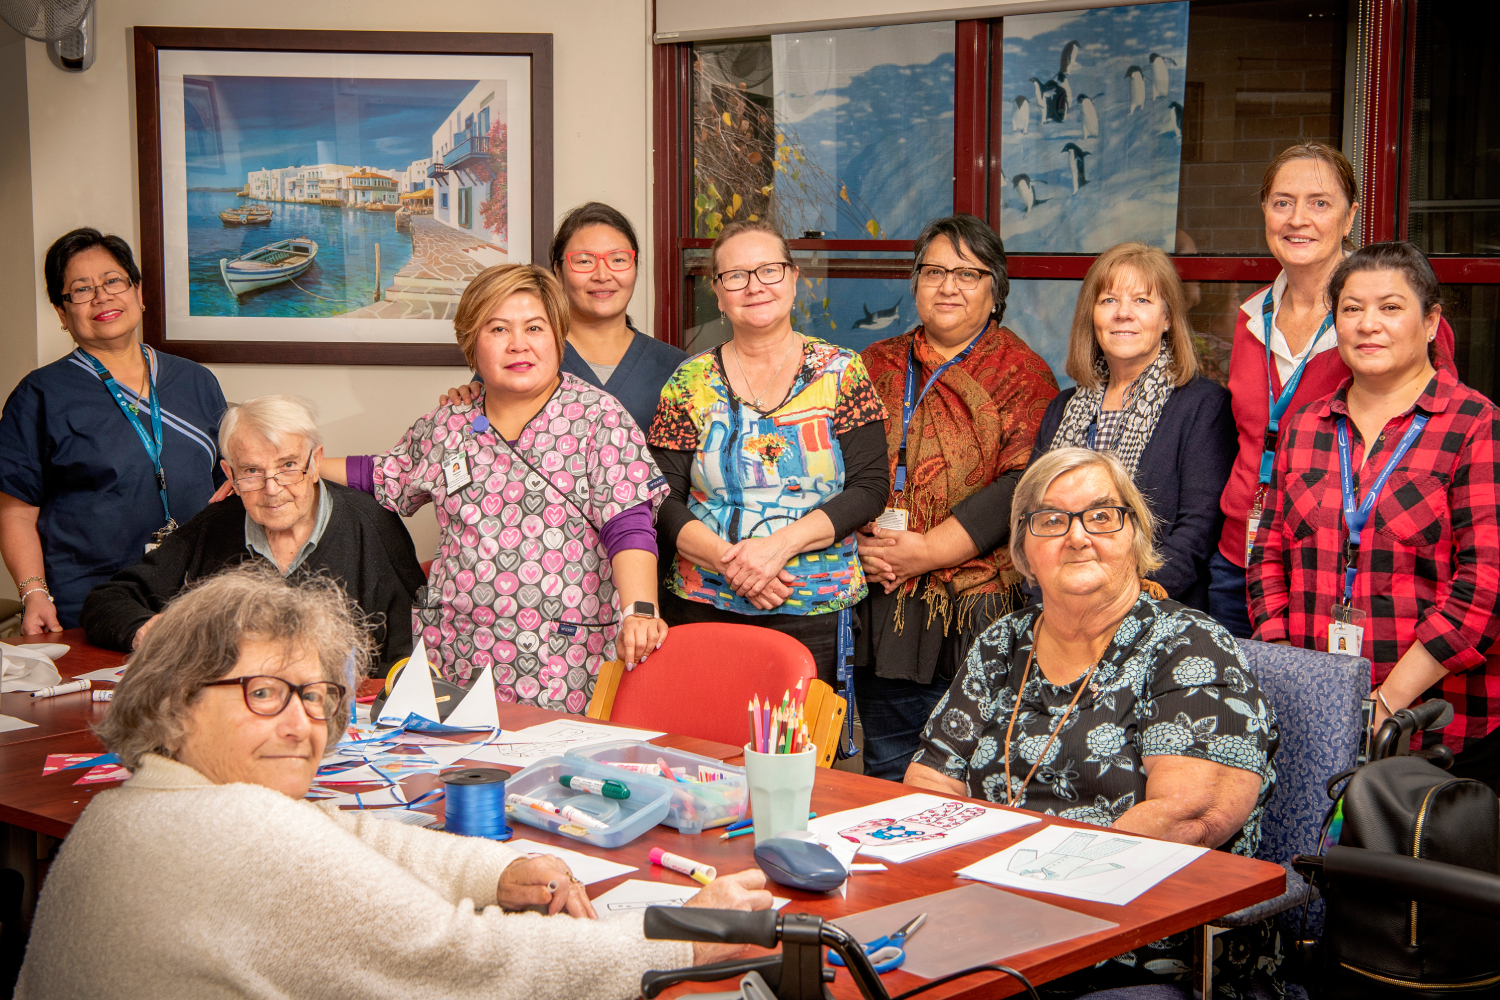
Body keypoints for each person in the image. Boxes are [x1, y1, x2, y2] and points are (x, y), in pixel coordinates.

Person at [17, 565, 773, 1000]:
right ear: (179, 700)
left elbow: (341, 831)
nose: (303, 724)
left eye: (315, 695)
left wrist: (497, 869)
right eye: (265, 692)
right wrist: (686, 937)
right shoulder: (243, 835)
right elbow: (465, 960)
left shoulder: (128, 807)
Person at [908, 447, 1280, 994]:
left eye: (1101, 516)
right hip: (988, 925)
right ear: (1023, 553)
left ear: (1135, 535)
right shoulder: (1000, 644)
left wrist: (1025, 882)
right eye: (1051, 520)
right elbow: (927, 785)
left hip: (1132, 944)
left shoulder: (1189, 647)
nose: (1077, 536)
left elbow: (1188, 817)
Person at [323, 264, 669, 712]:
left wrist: (639, 609)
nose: (518, 343)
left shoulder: (600, 417)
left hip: (562, 657)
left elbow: (629, 523)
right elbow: (386, 474)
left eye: (534, 327)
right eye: (498, 328)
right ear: (472, 342)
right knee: (454, 774)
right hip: (456, 651)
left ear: (558, 336)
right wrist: (301, 465)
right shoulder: (447, 424)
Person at [1249, 242, 1500, 787]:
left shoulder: (1476, 426)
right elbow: (1266, 557)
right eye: (1352, 308)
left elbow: (1484, 590)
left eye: (1391, 307)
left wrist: (1382, 707)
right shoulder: (1305, 426)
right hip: (1311, 723)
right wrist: (1293, 681)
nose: (1369, 324)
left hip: (1434, 734)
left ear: (1431, 322)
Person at [1212, 143, 1457, 637]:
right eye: (1282, 202)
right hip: (1238, 560)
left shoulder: (1387, 325)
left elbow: (1440, 442)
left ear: (1350, 219)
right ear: (1264, 212)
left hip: (1340, 571)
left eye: (1319, 203)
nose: (1298, 218)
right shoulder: (1247, 320)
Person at [853, 214, 1058, 781]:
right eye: (935, 271)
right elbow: (834, 463)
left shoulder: (1022, 375)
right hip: (882, 598)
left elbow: (1022, 486)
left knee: (966, 778)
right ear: (915, 282)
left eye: (967, 274)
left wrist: (925, 550)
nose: (948, 286)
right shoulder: (874, 365)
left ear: (996, 292)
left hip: (971, 610)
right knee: (889, 770)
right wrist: (865, 541)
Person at [647, 219, 889, 686]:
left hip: (816, 612)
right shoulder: (689, 380)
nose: (754, 286)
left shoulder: (842, 371)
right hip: (702, 609)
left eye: (769, 270)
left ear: (795, 279)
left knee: (800, 756)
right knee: (702, 749)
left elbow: (870, 488)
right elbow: (659, 498)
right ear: (718, 294)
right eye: (735, 275)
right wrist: (729, 562)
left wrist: (775, 549)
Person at [80, 396, 424, 673]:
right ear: (229, 472)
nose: (272, 489)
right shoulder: (213, 526)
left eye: (288, 466)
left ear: (316, 462)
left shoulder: (373, 526)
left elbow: (410, 657)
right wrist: (147, 630)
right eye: (252, 471)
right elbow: (107, 601)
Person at [0, 228, 225, 632]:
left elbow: (224, 487)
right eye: (81, 290)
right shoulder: (40, 395)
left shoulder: (197, 381)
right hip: (90, 602)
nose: (101, 296)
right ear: (61, 312)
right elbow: (16, 511)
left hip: (198, 597)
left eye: (113, 281)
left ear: (138, 292)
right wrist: (34, 594)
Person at [1031, 242, 1233, 611]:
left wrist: (1128, 597)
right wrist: (1047, 596)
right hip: (1060, 608)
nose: (1123, 314)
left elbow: (1198, 527)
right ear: (1091, 316)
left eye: (1142, 300)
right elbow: (1035, 515)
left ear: (1168, 318)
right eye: (1109, 300)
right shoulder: (1062, 409)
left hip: (1154, 609)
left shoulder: (1203, 406)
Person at [440, 202, 686, 433]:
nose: (602, 275)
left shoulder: (678, 369)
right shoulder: (523, 356)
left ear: (634, 267)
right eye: (584, 261)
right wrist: (467, 403)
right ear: (558, 271)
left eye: (618, 260)